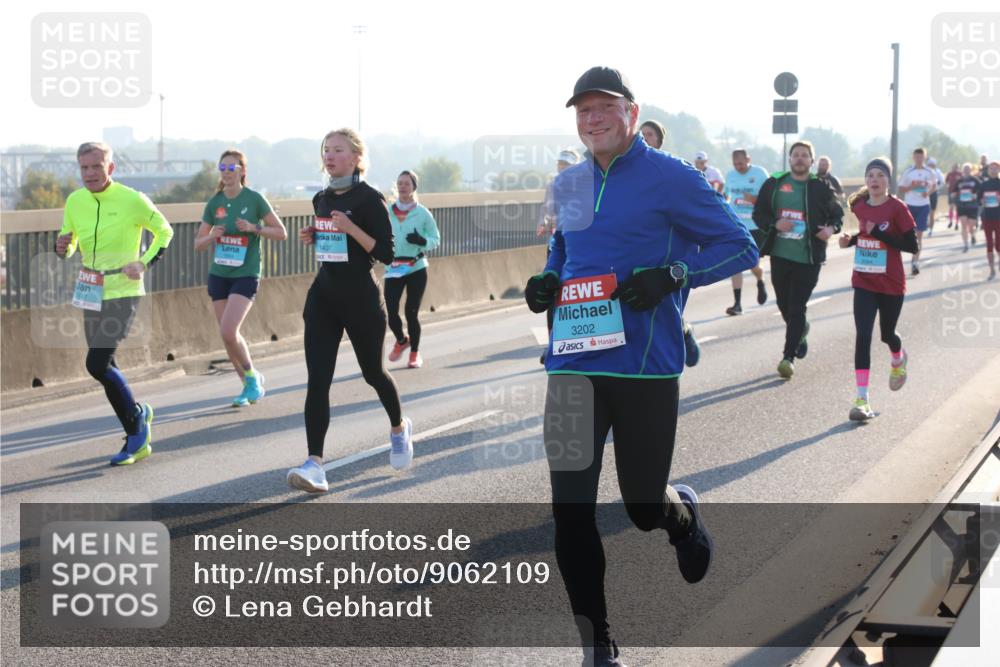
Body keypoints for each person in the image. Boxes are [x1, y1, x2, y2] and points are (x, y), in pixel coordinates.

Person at [524, 66, 757, 666]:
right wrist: (548, 278)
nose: (593, 119)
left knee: (642, 505)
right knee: (570, 510)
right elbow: (564, 246)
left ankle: (680, 519)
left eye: (605, 107)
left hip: (644, 364)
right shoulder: (569, 182)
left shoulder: (671, 176)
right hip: (573, 361)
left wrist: (673, 276)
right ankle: (597, 643)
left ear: (631, 112)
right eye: (583, 110)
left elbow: (740, 245)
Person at [286, 128, 414, 494]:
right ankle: (315, 464)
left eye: (338, 150)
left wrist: (351, 227)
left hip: (361, 299)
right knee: (318, 380)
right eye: (326, 150)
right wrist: (316, 233)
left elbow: (386, 254)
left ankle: (399, 428)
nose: (329, 155)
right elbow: (335, 242)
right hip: (324, 298)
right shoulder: (321, 198)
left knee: (374, 373)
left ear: (356, 157)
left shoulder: (370, 199)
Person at [55, 142, 173, 465]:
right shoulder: (75, 201)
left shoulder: (132, 199)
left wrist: (144, 262)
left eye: (96, 166)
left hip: (123, 291)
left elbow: (165, 232)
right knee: (106, 365)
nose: (90, 173)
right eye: (84, 168)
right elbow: (69, 243)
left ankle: (137, 428)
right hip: (89, 288)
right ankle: (137, 420)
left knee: (97, 364)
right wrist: (62, 246)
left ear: (111, 168)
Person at [195, 149, 287, 406]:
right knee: (227, 336)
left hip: (246, 273)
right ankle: (248, 383)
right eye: (222, 168)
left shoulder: (254, 199)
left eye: (232, 168)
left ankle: (251, 379)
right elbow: (198, 244)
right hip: (219, 274)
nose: (226, 173)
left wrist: (254, 228)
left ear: (242, 171)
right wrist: (212, 236)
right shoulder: (214, 203)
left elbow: (281, 233)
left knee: (229, 329)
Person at [752, 140, 844, 379]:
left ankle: (788, 357)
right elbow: (758, 213)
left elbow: (837, 214)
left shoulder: (820, 187)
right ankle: (801, 330)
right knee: (784, 306)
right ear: (790, 159)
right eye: (796, 155)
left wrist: (831, 229)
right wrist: (775, 223)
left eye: (805, 155)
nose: (800, 159)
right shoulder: (774, 183)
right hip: (780, 255)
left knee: (796, 307)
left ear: (812, 161)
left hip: (808, 258)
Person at [838, 158, 918, 421]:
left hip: (891, 282)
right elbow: (865, 234)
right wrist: (850, 241)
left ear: (888, 180)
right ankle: (862, 399)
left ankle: (898, 357)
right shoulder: (860, 206)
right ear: (866, 180)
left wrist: (880, 234)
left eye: (880, 175)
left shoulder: (898, 208)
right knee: (863, 335)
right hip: (864, 280)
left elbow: (912, 246)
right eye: (870, 175)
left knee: (887, 335)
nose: (875, 179)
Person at [640, 120, 701, 367]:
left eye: (649, 134)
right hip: (638, 249)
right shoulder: (624, 171)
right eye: (641, 133)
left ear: (659, 141)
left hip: (670, 251)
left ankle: (683, 330)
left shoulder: (673, 171)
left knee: (666, 310)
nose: (644, 137)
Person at [385, 170, 441, 369]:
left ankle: (414, 354)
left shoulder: (422, 213)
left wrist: (422, 241)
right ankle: (402, 341)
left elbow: (436, 239)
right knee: (391, 312)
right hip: (394, 267)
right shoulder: (387, 212)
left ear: (414, 187)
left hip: (416, 267)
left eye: (407, 183)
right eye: (400, 183)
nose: (402, 187)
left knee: (411, 312)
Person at [538, 149, 581, 364]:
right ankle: (553, 343)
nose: (562, 168)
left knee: (576, 292)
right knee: (552, 292)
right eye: (560, 164)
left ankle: (579, 338)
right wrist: (545, 221)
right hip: (556, 246)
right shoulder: (553, 185)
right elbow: (547, 210)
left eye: (566, 165)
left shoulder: (585, 186)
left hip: (577, 247)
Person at [723, 148, 771, 314]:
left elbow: (770, 197)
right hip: (737, 226)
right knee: (736, 263)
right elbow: (725, 196)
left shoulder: (760, 174)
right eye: (735, 164)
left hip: (756, 226)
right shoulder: (730, 175)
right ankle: (737, 304)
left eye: (741, 163)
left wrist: (754, 199)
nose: (738, 167)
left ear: (748, 159)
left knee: (753, 264)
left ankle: (760, 279)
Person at [896, 147, 936, 275]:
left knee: (919, 235)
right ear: (913, 157)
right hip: (910, 205)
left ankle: (915, 262)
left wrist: (927, 193)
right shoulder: (908, 172)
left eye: (921, 156)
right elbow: (901, 188)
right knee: (908, 235)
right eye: (917, 156)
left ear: (925, 157)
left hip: (923, 205)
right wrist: (911, 187)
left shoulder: (929, 172)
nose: (919, 159)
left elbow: (934, 186)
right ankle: (906, 257)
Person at [978, 161, 1000, 280]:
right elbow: (978, 199)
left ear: (999, 170)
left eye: (995, 168)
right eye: (991, 168)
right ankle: (992, 270)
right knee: (989, 244)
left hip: (999, 217)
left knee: (998, 244)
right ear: (988, 170)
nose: (993, 170)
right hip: (987, 217)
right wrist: (982, 201)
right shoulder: (984, 184)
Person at [955, 163, 982, 252]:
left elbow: (981, 190)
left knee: (971, 226)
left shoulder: (975, 180)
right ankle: (966, 244)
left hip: (972, 205)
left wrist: (976, 195)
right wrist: (954, 195)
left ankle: (973, 235)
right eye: (965, 169)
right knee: (963, 225)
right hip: (961, 205)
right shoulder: (959, 181)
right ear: (962, 170)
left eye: (968, 169)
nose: (966, 170)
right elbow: (954, 191)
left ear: (971, 170)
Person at [926, 157, 945, 236]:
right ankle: (925, 226)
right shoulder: (925, 171)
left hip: (934, 194)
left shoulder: (938, 172)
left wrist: (936, 188)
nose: (931, 166)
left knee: (932, 213)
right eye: (929, 165)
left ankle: (931, 229)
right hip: (925, 193)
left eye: (932, 165)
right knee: (925, 211)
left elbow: (942, 182)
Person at [946, 162, 962, 229]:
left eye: (956, 167)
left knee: (957, 208)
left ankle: (957, 223)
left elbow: (963, 182)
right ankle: (950, 221)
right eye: (954, 167)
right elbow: (946, 181)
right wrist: (948, 186)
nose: (955, 168)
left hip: (958, 193)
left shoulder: (960, 174)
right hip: (951, 192)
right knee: (951, 207)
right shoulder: (949, 174)